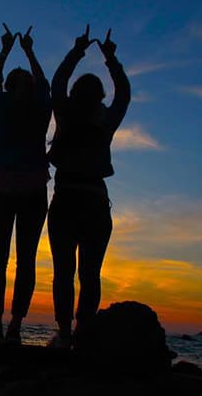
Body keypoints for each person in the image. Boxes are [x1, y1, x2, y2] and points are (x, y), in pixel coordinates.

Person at [47, 25, 131, 349]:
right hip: (95, 204)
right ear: (99, 96)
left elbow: (57, 82)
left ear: (75, 93)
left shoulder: (66, 114)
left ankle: (66, 334)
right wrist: (111, 58)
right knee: (90, 274)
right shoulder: (103, 120)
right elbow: (123, 93)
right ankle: (82, 333)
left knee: (64, 272)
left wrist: (77, 50)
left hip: (66, 201)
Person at [0, 23, 52, 347]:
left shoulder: (5, 106)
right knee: (21, 260)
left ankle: (3, 326)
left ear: (10, 88)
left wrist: (7, 50)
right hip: (28, 193)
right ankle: (9, 327)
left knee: (1, 259)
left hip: (8, 192)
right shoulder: (38, 109)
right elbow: (44, 86)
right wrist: (28, 51)